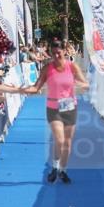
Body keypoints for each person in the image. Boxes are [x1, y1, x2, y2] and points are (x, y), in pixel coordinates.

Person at [20, 39, 89, 184]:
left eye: (59, 53)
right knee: (60, 140)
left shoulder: (72, 67)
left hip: (70, 107)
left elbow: (85, 84)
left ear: (65, 51)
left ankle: (62, 170)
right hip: (53, 108)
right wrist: (21, 90)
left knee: (68, 144)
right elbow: (36, 87)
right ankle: (55, 167)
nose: (56, 56)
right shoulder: (47, 68)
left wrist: (79, 84)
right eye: (53, 53)